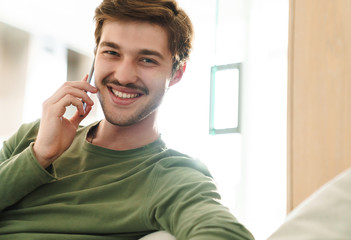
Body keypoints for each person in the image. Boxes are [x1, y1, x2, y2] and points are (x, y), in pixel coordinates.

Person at [0, 0, 254, 239]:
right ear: (95, 55)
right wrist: (39, 155)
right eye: (111, 52)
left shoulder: (171, 176)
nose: (123, 76)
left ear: (176, 73)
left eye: (147, 60)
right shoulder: (36, 135)